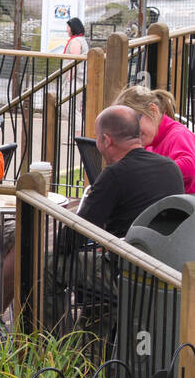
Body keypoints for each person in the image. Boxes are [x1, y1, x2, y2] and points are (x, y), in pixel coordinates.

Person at [45, 106, 184, 333]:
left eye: (97, 139)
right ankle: (93, 343)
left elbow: (74, 236)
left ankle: (54, 348)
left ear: (106, 140)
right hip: (168, 270)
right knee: (95, 267)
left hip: (127, 272)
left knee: (49, 265)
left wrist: (71, 242)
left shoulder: (115, 175)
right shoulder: (170, 167)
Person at [113, 85, 195, 194]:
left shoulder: (178, 134)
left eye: (134, 122)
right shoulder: (149, 143)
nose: (131, 130)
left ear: (153, 110)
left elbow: (190, 165)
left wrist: (150, 171)